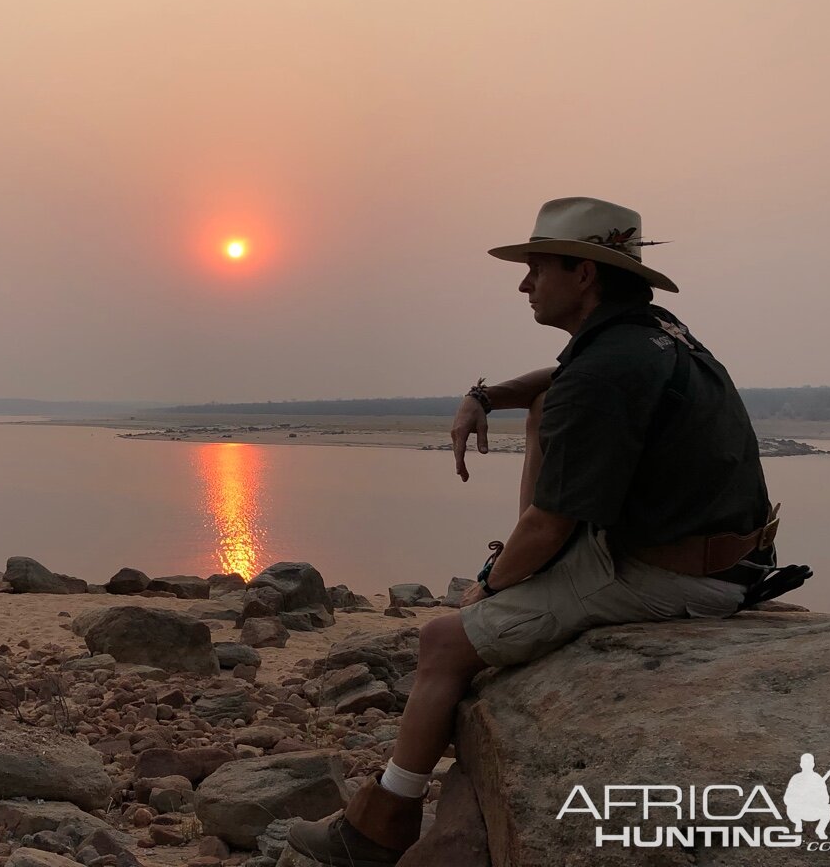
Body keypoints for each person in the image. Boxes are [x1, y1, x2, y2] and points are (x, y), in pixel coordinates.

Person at [289, 196, 780, 867]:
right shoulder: (651, 333)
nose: (524, 285)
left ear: (584, 274)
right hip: (725, 558)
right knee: (544, 405)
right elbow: (563, 380)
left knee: (441, 643)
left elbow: (552, 523)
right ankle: (527, 579)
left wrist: (491, 586)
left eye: (537, 269)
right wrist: (485, 396)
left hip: (675, 575)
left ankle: (377, 827)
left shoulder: (607, 369)